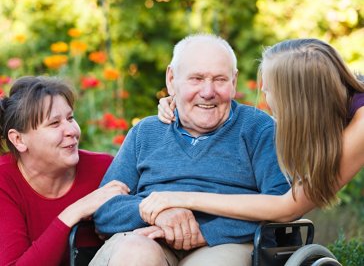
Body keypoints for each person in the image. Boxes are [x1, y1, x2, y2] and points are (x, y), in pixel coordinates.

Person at [90, 33, 290, 266]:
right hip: (148, 237)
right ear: (171, 79)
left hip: (225, 244)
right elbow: (105, 209)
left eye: (220, 80)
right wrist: (157, 214)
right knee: (135, 253)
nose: (208, 91)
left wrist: (205, 232)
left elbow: (281, 204)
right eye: (196, 78)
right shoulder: (145, 132)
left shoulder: (258, 128)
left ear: (234, 82)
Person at [142, 38, 364, 225]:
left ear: (296, 100)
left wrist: (182, 198)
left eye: (268, 91)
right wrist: (183, 102)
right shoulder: (342, 102)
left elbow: (288, 207)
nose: (266, 100)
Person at [0, 76, 128, 266]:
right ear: (18, 140)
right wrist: (74, 212)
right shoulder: (5, 182)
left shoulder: (104, 168)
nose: (72, 131)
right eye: (54, 123)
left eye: (70, 118)